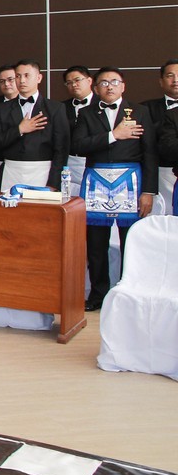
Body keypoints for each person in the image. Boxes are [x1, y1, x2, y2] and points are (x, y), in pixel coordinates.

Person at [72, 67, 156, 311]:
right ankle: (98, 295)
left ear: (123, 86)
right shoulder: (87, 113)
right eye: (104, 82)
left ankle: (128, 292)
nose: (109, 86)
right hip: (97, 182)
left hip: (130, 183)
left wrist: (148, 191)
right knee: (96, 243)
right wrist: (113, 135)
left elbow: (150, 152)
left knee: (131, 241)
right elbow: (78, 145)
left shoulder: (140, 111)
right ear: (96, 88)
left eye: (114, 81)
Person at [0, 58, 69, 190]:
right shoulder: (2, 109)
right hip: (11, 171)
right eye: (18, 76)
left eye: (26, 76)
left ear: (39, 78)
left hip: (43, 172)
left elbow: (61, 149)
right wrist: (19, 129)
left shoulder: (55, 108)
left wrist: (54, 183)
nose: (22, 80)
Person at [142, 59, 178, 214]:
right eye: (170, 75)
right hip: (157, 174)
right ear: (161, 81)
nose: (175, 80)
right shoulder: (144, 109)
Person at [63, 65, 95, 189]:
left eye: (77, 80)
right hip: (69, 162)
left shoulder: (102, 104)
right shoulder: (61, 107)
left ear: (89, 80)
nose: (74, 85)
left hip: (95, 160)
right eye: (69, 82)